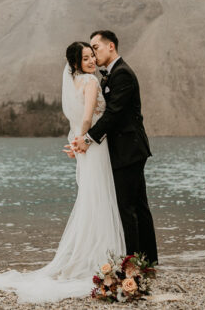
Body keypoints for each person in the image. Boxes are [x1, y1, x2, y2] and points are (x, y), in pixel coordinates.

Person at [0, 41, 125, 304]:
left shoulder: (75, 83)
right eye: (86, 59)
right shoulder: (91, 83)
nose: (92, 61)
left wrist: (76, 143)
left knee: (91, 200)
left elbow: (75, 121)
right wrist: (83, 140)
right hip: (93, 146)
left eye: (92, 56)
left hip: (85, 147)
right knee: (98, 199)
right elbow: (84, 118)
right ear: (76, 64)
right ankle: (99, 258)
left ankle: (91, 256)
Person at [71, 30, 158, 265]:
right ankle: (147, 261)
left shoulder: (123, 75)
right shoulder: (110, 75)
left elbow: (114, 114)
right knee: (138, 207)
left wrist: (87, 139)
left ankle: (133, 264)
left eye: (96, 48)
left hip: (128, 150)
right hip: (126, 149)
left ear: (111, 46)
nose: (93, 53)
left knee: (128, 209)